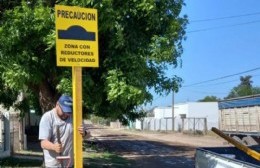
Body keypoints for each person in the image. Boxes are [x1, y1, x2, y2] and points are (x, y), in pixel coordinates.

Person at [39, 94, 88, 168]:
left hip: (69, 164)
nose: (66, 114)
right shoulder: (47, 118)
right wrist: (53, 147)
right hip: (53, 165)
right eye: (64, 110)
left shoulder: (74, 118)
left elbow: (87, 136)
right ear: (57, 104)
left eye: (68, 111)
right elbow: (43, 143)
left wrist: (84, 133)